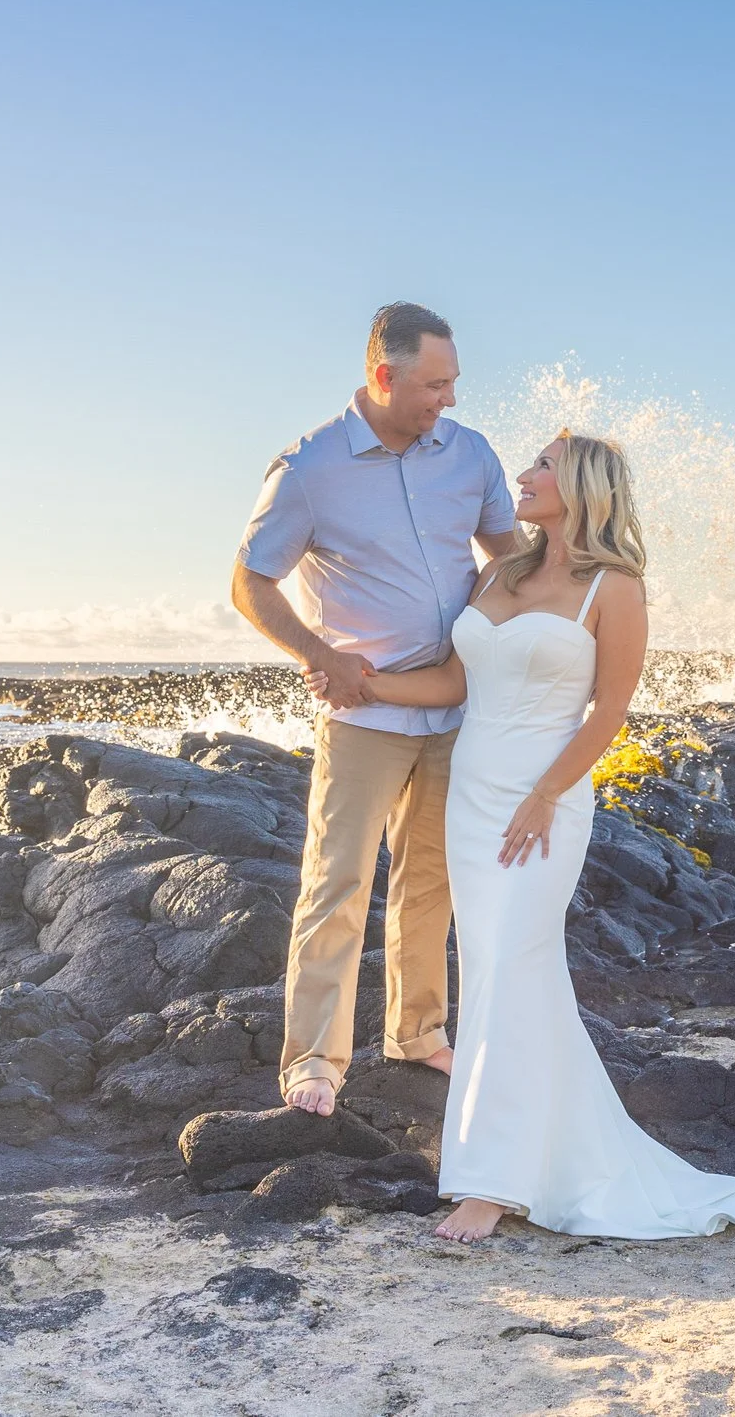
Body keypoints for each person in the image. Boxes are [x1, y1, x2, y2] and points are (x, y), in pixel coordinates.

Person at [324, 431, 735, 1242]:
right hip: (474, 796)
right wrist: (366, 682)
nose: (523, 475)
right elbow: (455, 682)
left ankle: (492, 1182)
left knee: (510, 963)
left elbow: (609, 709)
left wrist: (546, 794)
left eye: (540, 465)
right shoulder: (499, 573)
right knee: (507, 974)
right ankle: (539, 1159)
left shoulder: (616, 587)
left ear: (581, 485)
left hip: (544, 799)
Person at [229, 302, 518, 1118]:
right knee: (339, 879)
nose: (449, 399)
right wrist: (320, 656)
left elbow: (513, 560)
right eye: (435, 383)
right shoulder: (311, 466)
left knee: (434, 876)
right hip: (362, 713)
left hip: (457, 705)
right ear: (383, 377)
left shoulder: (470, 456)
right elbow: (249, 580)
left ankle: (418, 1032)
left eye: (454, 380)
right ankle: (314, 1059)